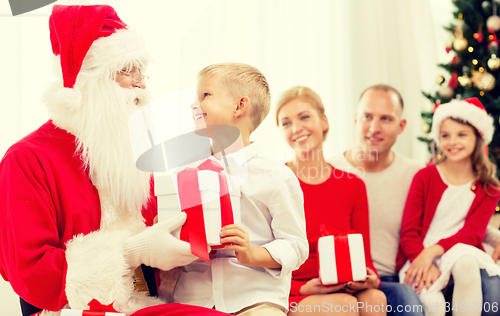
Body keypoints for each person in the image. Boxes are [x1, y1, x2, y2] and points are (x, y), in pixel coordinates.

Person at [0, 5, 230, 316]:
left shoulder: (132, 154)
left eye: (141, 71)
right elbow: (31, 275)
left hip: (150, 301)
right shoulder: (27, 159)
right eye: (128, 70)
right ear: (90, 79)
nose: (142, 84)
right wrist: (133, 251)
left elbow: (157, 242)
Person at [330, 84, 500, 316]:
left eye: (386, 119)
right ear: (355, 119)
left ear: (402, 126)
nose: (374, 128)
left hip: (397, 272)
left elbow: (463, 222)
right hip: (355, 274)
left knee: (482, 281)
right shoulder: (330, 170)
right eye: (367, 116)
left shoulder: (414, 172)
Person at [172, 63, 309, 316]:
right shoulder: (184, 172)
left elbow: (296, 245)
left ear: (239, 106)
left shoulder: (277, 176)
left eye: (205, 95)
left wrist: (252, 254)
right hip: (193, 299)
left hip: (254, 299)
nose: (194, 105)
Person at [275, 86, 387, 316]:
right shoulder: (277, 183)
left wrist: (370, 279)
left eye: (304, 117)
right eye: (286, 123)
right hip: (293, 291)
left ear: (324, 121)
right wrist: (303, 287)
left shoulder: (353, 185)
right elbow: (262, 263)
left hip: (343, 285)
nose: (296, 128)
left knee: (375, 299)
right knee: (343, 306)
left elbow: (364, 256)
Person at [397, 98, 500, 316]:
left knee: (466, 263)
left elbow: (473, 234)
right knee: (433, 305)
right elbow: (408, 233)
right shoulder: (425, 177)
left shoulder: (489, 187)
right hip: (420, 255)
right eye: (445, 135)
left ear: (478, 138)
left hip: (459, 251)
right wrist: (423, 258)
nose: (452, 142)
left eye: (462, 134)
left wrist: (434, 250)